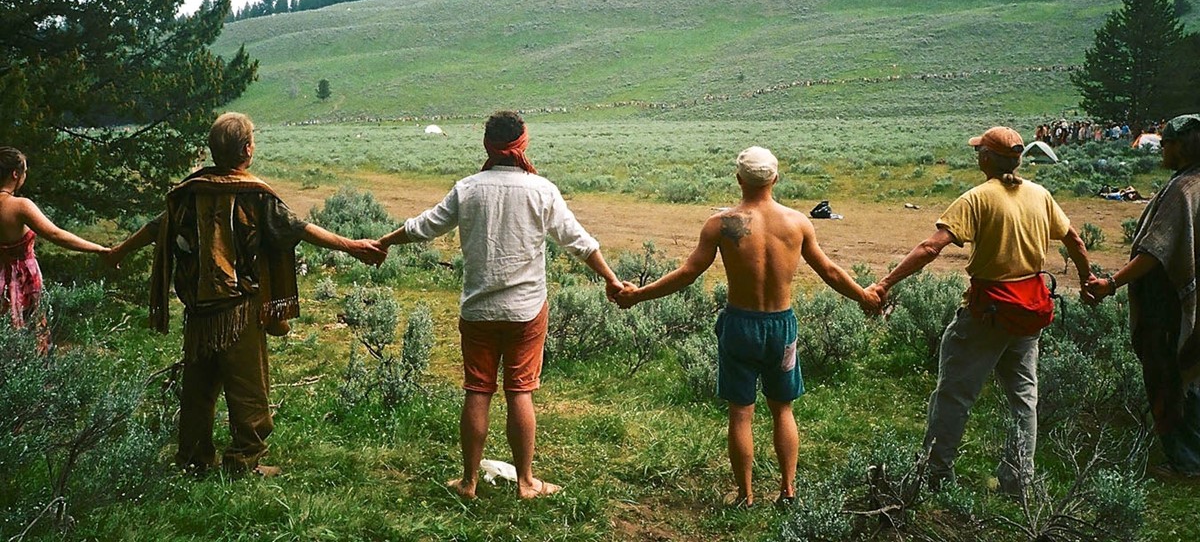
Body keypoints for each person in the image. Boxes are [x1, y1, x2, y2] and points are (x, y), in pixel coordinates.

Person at [108, 113, 386, 477]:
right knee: (248, 387)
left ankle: (193, 457)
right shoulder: (254, 194)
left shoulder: (190, 192)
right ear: (247, 149)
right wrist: (351, 245)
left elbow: (155, 229)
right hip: (238, 309)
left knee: (199, 387)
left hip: (198, 311)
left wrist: (117, 252)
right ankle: (243, 460)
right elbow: (298, 229)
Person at [615, 146, 879, 508]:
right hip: (781, 327)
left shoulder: (721, 225)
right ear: (775, 178)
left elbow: (689, 273)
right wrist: (863, 296)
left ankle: (745, 495)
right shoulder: (798, 223)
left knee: (741, 412)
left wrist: (638, 294)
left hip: (740, 325)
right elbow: (830, 271)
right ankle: (788, 491)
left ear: (739, 179)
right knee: (782, 409)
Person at [378, 110, 622, 500]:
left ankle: (469, 482)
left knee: (477, 389)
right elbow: (579, 241)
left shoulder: (468, 189)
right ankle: (526, 482)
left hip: (477, 310)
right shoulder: (542, 190)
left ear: (487, 145)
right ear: (523, 143)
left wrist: (384, 242)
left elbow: (423, 226)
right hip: (526, 310)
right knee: (519, 392)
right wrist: (611, 279)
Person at [865, 126, 1089, 494]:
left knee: (954, 393)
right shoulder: (1040, 195)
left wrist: (884, 284)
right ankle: (1019, 482)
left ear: (987, 158)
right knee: (1024, 398)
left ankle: (936, 475)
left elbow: (929, 248)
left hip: (988, 312)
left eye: (979, 150)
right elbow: (1074, 239)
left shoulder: (976, 199)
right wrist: (1087, 280)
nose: (976, 156)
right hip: (1029, 310)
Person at [1084, 114, 1200, 480]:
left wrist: (1111, 284)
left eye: (1166, 143)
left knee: (1167, 375)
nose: (1161, 148)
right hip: (1188, 298)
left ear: (1182, 146)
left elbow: (1154, 251)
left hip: (1167, 305)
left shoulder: (1183, 189)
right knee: (1191, 373)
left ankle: (1187, 461)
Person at [0, 147, 112, 339]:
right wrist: (99, 249)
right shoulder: (20, 206)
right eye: (25, 171)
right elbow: (56, 234)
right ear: (15, 174)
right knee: (29, 338)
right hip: (23, 280)